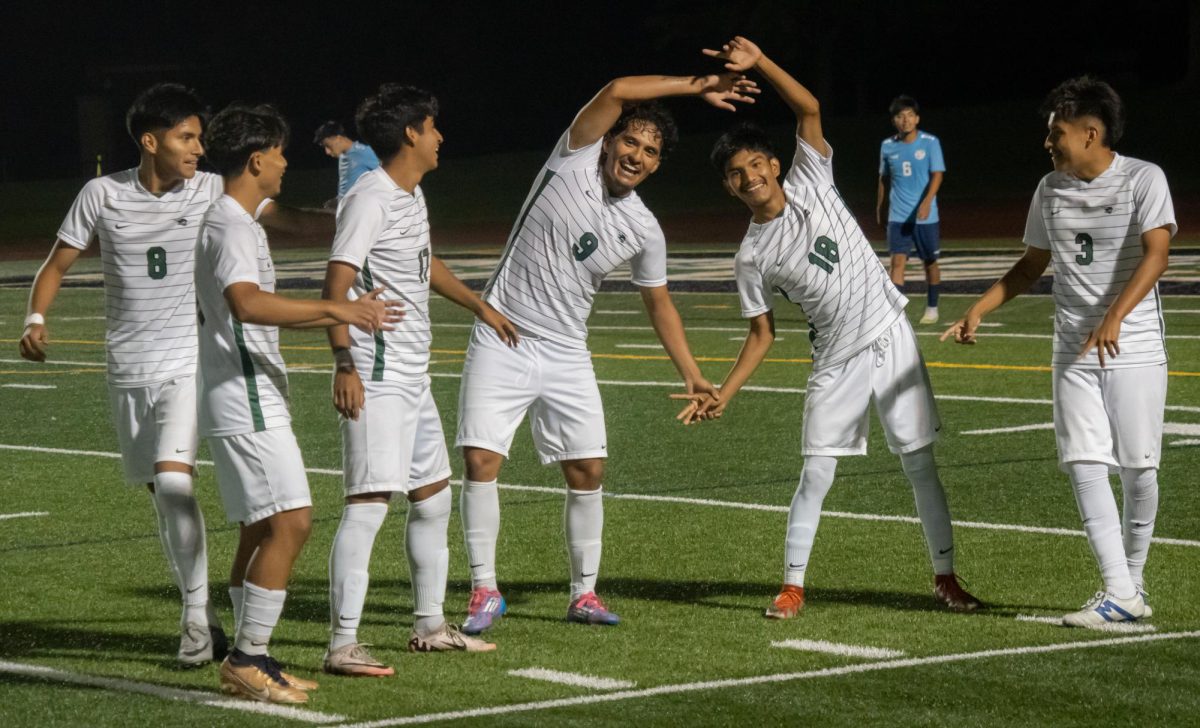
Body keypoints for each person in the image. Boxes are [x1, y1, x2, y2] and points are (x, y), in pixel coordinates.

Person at [678, 36, 980, 619]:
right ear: (729, 186)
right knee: (816, 472)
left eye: (755, 165)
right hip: (836, 358)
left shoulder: (813, 177)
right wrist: (724, 392)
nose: (749, 178)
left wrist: (761, 61)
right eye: (735, 175)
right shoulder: (750, 257)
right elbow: (762, 335)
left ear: (773, 163)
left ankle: (946, 577)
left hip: (890, 333)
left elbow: (809, 109)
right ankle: (792, 586)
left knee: (919, 463)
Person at [454, 68, 757, 633]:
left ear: (657, 165)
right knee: (481, 460)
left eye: (650, 151)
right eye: (631, 141)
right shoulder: (569, 159)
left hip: (568, 349)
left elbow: (660, 304)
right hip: (505, 334)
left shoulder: (644, 227)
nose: (637, 155)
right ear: (610, 141)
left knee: (589, 468)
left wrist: (693, 373)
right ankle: (484, 590)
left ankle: (583, 595)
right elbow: (617, 90)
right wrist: (697, 87)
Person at [942, 77, 1173, 627]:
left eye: (1058, 134)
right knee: (1084, 463)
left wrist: (1114, 316)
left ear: (1091, 133)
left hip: (1134, 345)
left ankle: (1132, 582)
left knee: (1139, 469)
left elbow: (1158, 254)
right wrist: (980, 308)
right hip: (1072, 347)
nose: (1049, 144)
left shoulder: (1145, 178)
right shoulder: (1050, 188)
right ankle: (1118, 589)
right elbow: (1031, 264)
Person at [195, 103, 401, 703]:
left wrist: (353, 205)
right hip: (244, 393)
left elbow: (304, 226)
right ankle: (247, 658)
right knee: (293, 519)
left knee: (260, 527)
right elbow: (248, 304)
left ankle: (250, 652)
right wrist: (341, 309)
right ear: (257, 159)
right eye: (281, 152)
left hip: (243, 390)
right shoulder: (231, 226)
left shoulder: (237, 214)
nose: (287, 162)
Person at [321, 84, 518, 677]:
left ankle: (430, 626)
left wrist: (479, 305)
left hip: (414, 376)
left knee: (432, 498)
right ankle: (342, 644)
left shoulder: (413, 193)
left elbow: (424, 264)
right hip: (375, 378)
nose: (440, 137)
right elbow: (334, 286)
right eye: (433, 127)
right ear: (411, 132)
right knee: (368, 506)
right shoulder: (369, 199)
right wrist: (344, 364)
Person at [876, 95, 945, 324]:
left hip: (925, 216)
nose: (905, 120)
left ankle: (932, 307)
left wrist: (926, 202)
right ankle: (896, 314)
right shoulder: (887, 146)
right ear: (894, 120)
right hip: (898, 215)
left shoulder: (930, 142)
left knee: (930, 262)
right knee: (896, 262)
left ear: (917, 119)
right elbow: (884, 179)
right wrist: (881, 207)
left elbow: (937, 175)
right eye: (899, 116)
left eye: (909, 116)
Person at [314, 120, 381, 202]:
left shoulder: (363, 152)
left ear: (337, 138)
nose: (327, 152)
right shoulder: (342, 156)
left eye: (327, 145)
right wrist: (338, 199)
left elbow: (391, 175)